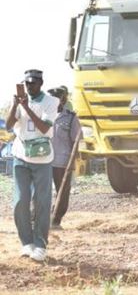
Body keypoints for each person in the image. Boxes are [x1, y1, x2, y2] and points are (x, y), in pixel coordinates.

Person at [5, 70, 58, 262]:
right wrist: (15, 105)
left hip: (42, 159)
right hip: (21, 156)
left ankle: (40, 244)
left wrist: (26, 108)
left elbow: (44, 127)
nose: (29, 87)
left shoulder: (51, 102)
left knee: (42, 202)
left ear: (41, 83)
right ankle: (26, 243)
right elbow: (8, 126)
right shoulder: (20, 101)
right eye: (27, 84)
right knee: (20, 201)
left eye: (33, 83)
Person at [48, 87, 82, 230]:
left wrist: (72, 162)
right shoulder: (42, 115)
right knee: (39, 191)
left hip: (63, 161)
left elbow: (76, 141)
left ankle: (55, 220)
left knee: (62, 192)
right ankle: (35, 219)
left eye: (57, 98)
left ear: (63, 100)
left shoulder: (71, 117)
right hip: (43, 160)